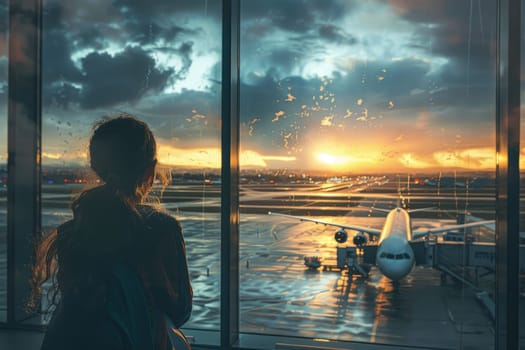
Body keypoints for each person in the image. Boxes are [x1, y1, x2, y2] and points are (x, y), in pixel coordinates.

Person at [31, 114, 192, 349]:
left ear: (97, 167)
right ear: (151, 171)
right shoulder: (160, 229)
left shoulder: (74, 230)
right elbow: (180, 311)